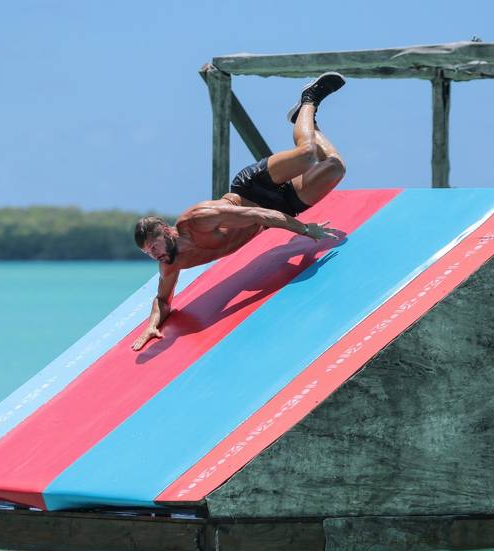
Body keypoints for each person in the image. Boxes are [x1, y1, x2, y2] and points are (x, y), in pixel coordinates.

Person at [131, 72, 347, 351]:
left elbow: (260, 215)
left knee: (307, 155)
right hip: (278, 208)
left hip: (254, 189)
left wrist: (306, 230)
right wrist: (152, 325)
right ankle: (305, 123)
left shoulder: (197, 220)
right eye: (148, 252)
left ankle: (309, 100)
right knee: (335, 167)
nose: (154, 254)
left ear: (165, 231)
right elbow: (163, 300)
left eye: (154, 246)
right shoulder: (171, 263)